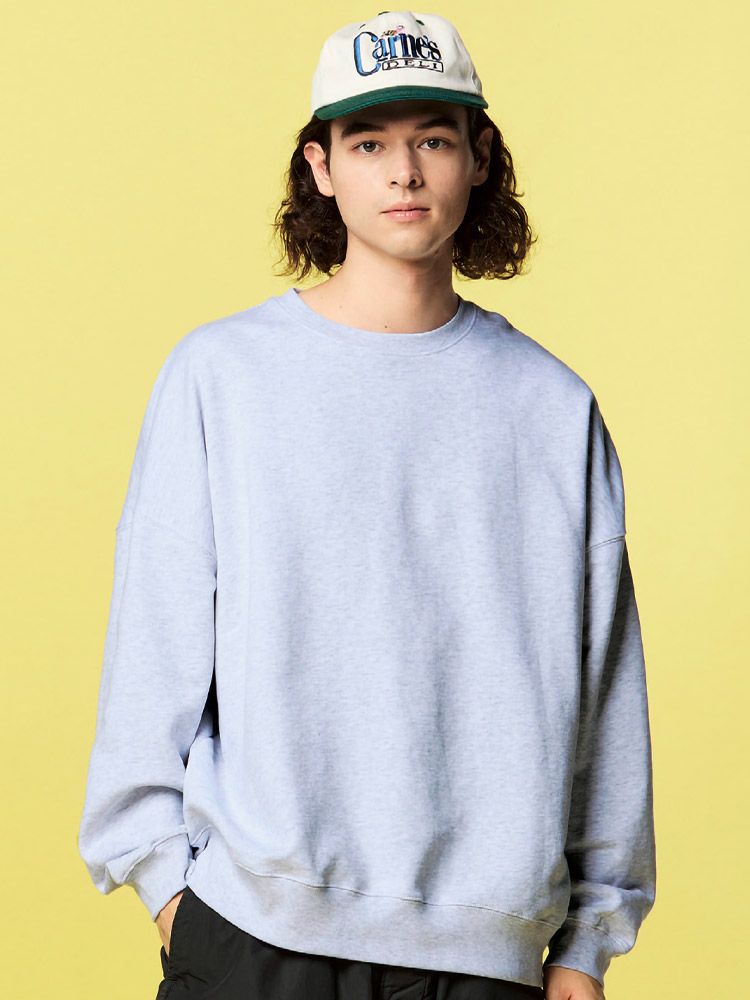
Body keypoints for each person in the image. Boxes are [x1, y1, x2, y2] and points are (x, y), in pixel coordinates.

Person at [78, 10, 656, 1000]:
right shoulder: (224, 377)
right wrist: (170, 891)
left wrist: (586, 943)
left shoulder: (553, 408)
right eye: (369, 143)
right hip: (254, 933)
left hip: (484, 957)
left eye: (434, 139)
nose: (405, 173)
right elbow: (155, 641)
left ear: (479, 158)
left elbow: (604, 686)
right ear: (321, 166)